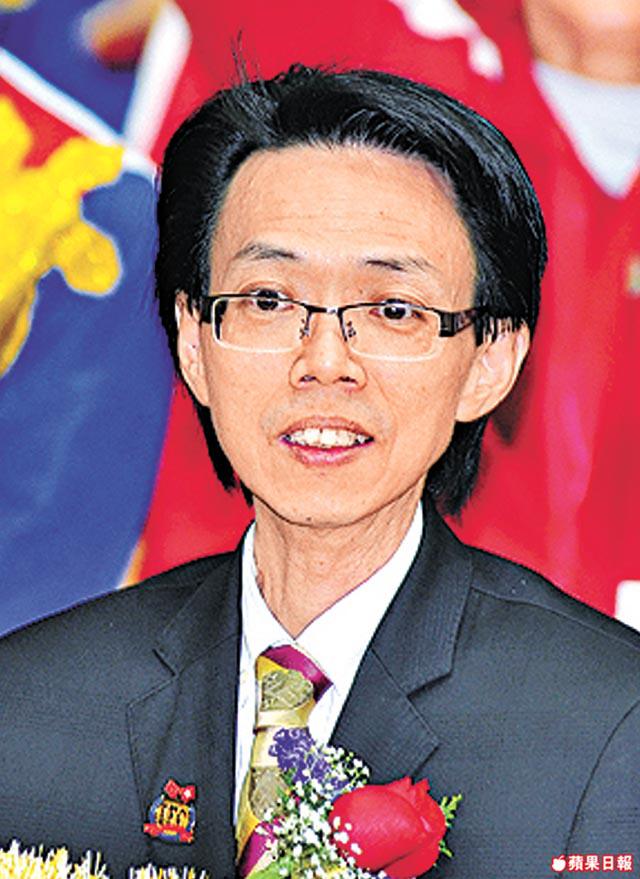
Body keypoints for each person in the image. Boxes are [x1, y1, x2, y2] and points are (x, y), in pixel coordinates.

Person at [1, 65, 639, 878]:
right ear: (193, 341)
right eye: (269, 300)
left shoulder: (610, 721)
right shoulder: (27, 704)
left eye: (393, 309)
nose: (325, 361)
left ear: (490, 360)